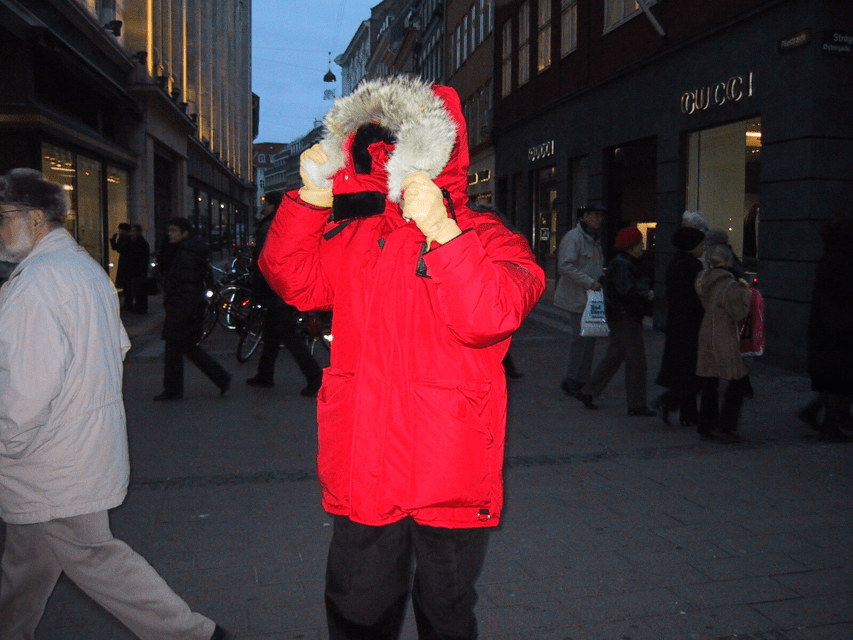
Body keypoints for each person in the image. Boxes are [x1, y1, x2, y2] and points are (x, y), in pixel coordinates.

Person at [258, 77, 545, 640]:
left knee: (447, 608)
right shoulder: (355, 234)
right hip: (366, 454)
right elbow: (293, 280)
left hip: (450, 459)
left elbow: (489, 317)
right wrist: (311, 200)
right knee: (357, 606)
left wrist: (444, 233)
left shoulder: (488, 237)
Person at [0, 169, 228, 640]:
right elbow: (117, 346)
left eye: (3, 217)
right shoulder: (83, 270)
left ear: (35, 219)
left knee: (94, 559)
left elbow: (23, 392)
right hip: (75, 450)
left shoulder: (36, 284)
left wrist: (5, 442)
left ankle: (195, 635)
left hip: (50, 460)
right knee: (27, 565)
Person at [246, 190, 323, 396]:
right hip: (283, 285)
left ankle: (315, 377)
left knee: (288, 335)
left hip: (275, 287)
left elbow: (265, 259)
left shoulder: (268, 226)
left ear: (272, 205)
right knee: (272, 334)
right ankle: (265, 374)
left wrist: (260, 286)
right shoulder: (285, 222)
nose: (263, 206)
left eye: (266, 203)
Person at [576, 226, 656, 416]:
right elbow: (626, 291)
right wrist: (646, 294)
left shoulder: (622, 263)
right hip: (625, 317)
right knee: (636, 362)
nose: (642, 247)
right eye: (639, 243)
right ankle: (636, 404)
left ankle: (589, 391)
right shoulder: (623, 265)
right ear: (631, 246)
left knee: (615, 356)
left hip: (621, 317)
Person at [154, 217, 231, 401]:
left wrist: (183, 311)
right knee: (187, 348)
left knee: (176, 349)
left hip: (183, 308)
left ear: (185, 233)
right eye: (169, 231)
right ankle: (220, 378)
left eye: (174, 231)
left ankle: (174, 389)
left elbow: (188, 286)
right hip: (184, 307)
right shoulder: (185, 251)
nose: (170, 234)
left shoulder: (186, 255)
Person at [799, 216, 853, 443]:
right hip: (837, 329)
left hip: (831, 328)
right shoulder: (839, 260)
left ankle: (824, 414)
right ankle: (830, 421)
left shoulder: (833, 257)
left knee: (836, 378)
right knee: (839, 378)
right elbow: (842, 294)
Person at [694, 244, 752, 442]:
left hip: (706, 333)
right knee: (738, 379)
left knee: (710, 381)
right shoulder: (730, 285)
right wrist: (746, 294)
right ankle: (726, 426)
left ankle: (706, 425)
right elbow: (739, 312)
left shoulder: (703, 280)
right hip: (725, 335)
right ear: (728, 261)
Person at [654, 226, 706, 426]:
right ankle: (669, 401)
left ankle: (688, 413)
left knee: (686, 370)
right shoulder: (691, 266)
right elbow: (696, 298)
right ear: (692, 245)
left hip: (679, 323)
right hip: (690, 325)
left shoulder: (677, 262)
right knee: (691, 370)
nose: (703, 248)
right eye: (701, 244)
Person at [553, 205, 606, 397]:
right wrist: (589, 282)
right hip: (577, 297)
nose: (599, 219)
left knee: (589, 340)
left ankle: (581, 379)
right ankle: (571, 379)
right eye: (595, 215)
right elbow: (564, 266)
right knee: (580, 340)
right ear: (585, 216)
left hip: (592, 297)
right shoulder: (574, 237)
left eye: (600, 216)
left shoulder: (593, 239)